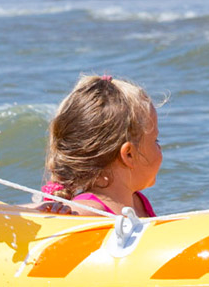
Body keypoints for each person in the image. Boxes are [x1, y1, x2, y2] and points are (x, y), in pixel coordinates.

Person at [39, 75, 160, 217]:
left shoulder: (138, 202)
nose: (160, 148)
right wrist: (41, 209)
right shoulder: (85, 212)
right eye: (156, 141)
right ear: (129, 154)